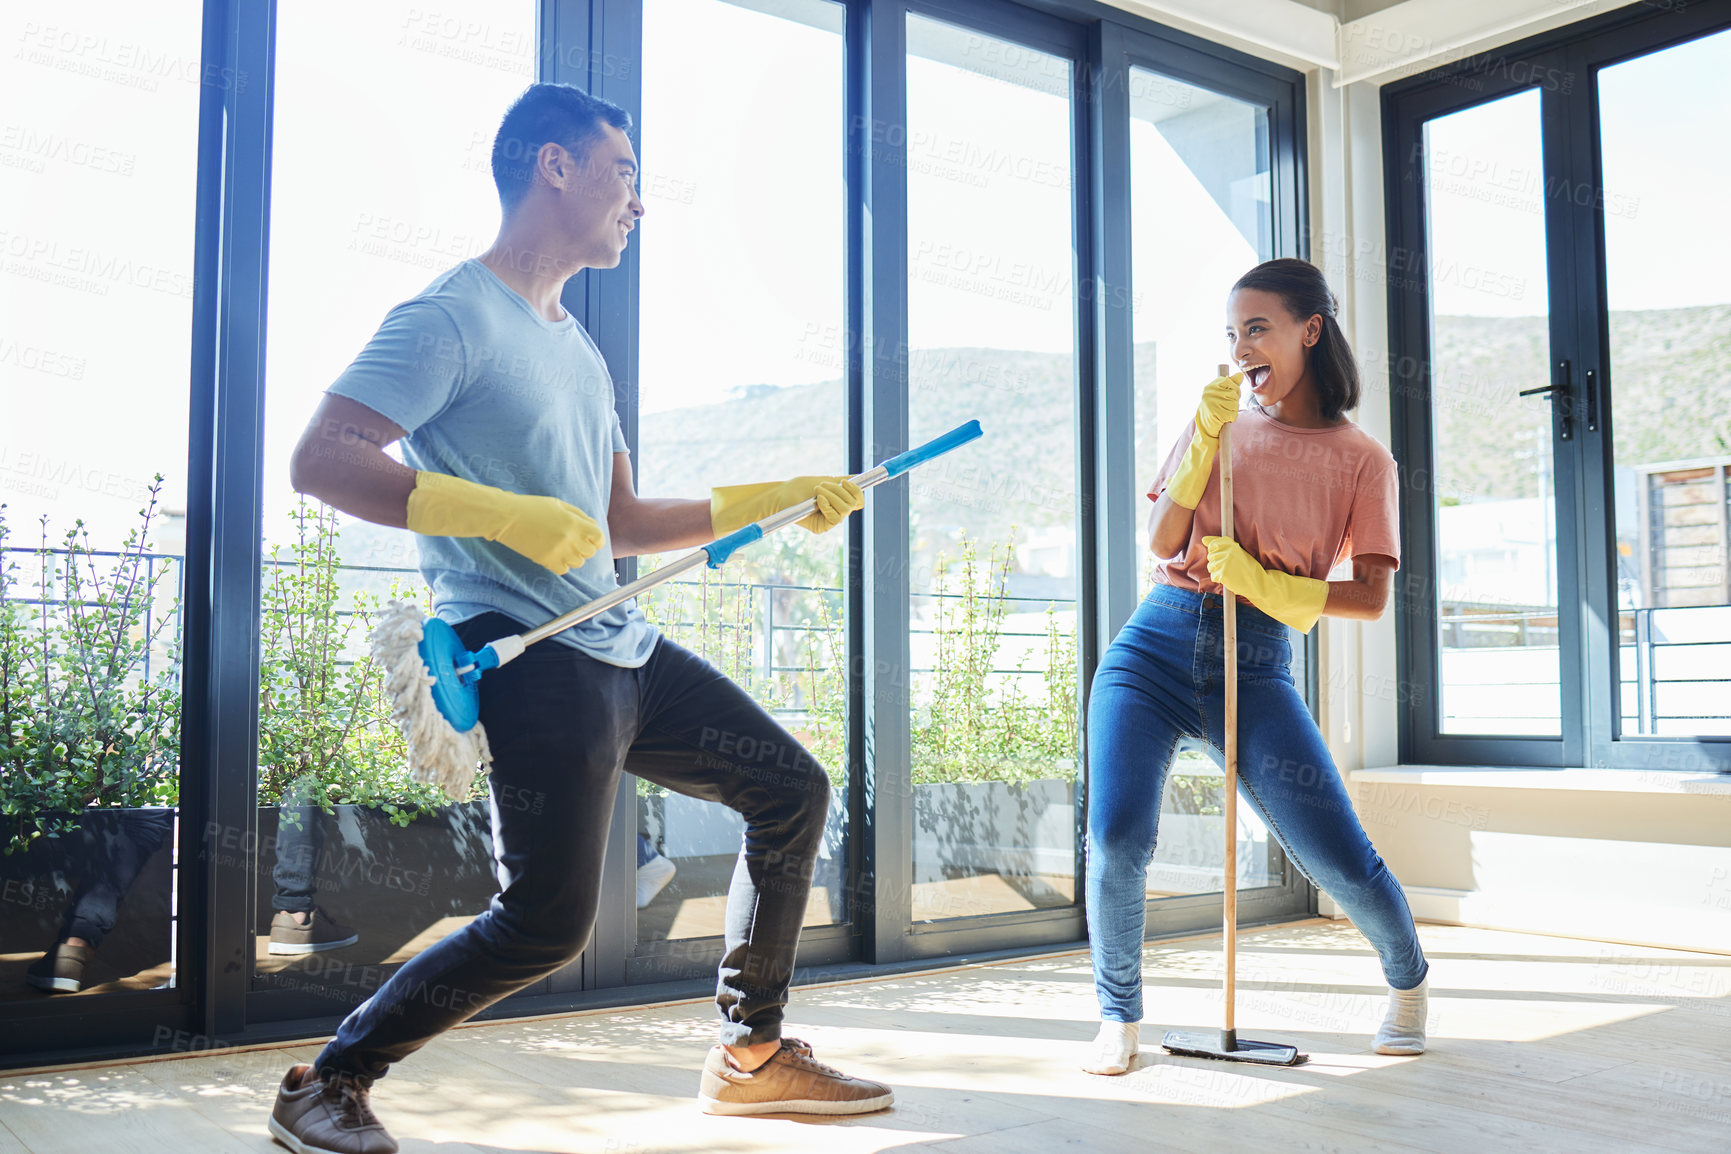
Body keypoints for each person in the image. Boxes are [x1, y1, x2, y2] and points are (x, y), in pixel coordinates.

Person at [269, 82, 892, 1154]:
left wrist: (775, 497)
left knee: (790, 785)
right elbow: (321, 460)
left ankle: (750, 1050)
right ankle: (327, 1079)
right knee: (549, 921)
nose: (637, 202)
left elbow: (620, 521)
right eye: (625, 173)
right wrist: (500, 514)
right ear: (554, 166)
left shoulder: (580, 348)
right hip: (529, 646)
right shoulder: (449, 316)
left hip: (620, 644)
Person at [1081, 258, 1429, 1076]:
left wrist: (1269, 583)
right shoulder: (1221, 428)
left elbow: (1370, 597)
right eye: (1231, 333)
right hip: (1151, 649)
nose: (1240, 347)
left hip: (1256, 660)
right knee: (1117, 837)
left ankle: (1408, 982)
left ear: (1309, 330)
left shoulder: (1361, 461)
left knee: (1334, 856)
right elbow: (1163, 543)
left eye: (1257, 328)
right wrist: (1202, 441)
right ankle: (1116, 1016)